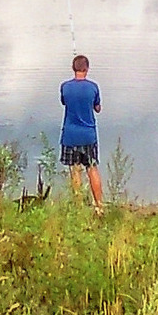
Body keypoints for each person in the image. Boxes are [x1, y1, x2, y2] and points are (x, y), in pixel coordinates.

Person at [59, 55, 104, 213]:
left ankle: (78, 207)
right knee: (92, 168)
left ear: (74, 68)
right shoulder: (93, 87)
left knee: (74, 169)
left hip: (70, 136)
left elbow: (64, 102)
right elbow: (97, 108)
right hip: (89, 136)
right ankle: (99, 206)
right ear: (87, 69)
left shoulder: (65, 87)